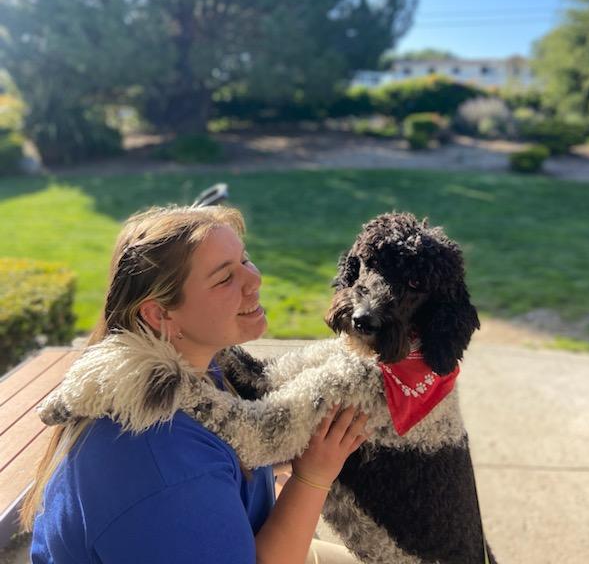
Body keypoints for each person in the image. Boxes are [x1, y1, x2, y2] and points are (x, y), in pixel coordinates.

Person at [24, 203, 368, 564]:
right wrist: (312, 478)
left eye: (245, 260)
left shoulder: (195, 371)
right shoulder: (161, 461)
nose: (255, 280)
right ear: (160, 314)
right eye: (224, 278)